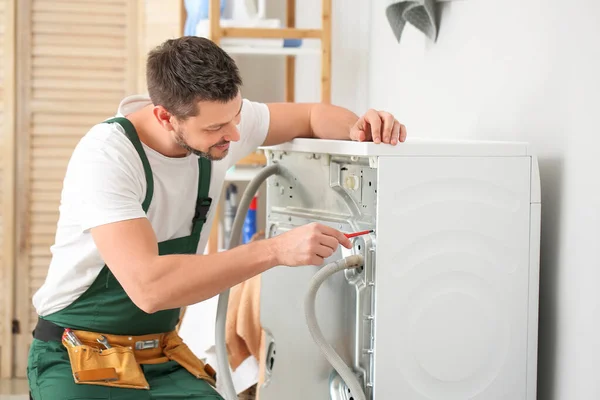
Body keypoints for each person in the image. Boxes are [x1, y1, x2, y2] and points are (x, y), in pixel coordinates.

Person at [27, 36, 407, 400]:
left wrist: (360, 129)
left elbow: (312, 115)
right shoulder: (108, 156)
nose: (235, 134)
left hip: (159, 356)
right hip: (76, 356)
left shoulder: (221, 125)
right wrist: (274, 250)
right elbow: (150, 288)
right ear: (165, 117)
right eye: (215, 128)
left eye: (236, 116)